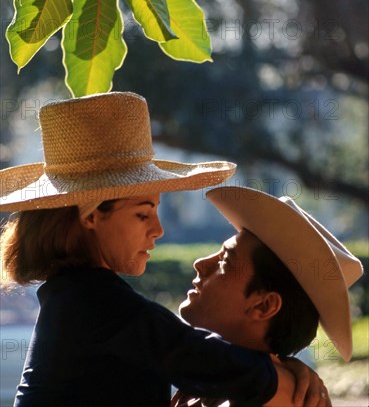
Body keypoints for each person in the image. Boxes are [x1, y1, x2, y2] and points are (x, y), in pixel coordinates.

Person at [0, 92, 329, 407]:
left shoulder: (77, 294)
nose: (158, 230)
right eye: (143, 214)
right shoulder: (90, 299)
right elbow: (188, 352)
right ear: (91, 215)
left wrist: (278, 366)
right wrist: (280, 377)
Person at [172, 185, 363, 407]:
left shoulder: (269, 395)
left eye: (225, 262)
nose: (201, 263)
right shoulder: (221, 382)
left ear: (264, 305)